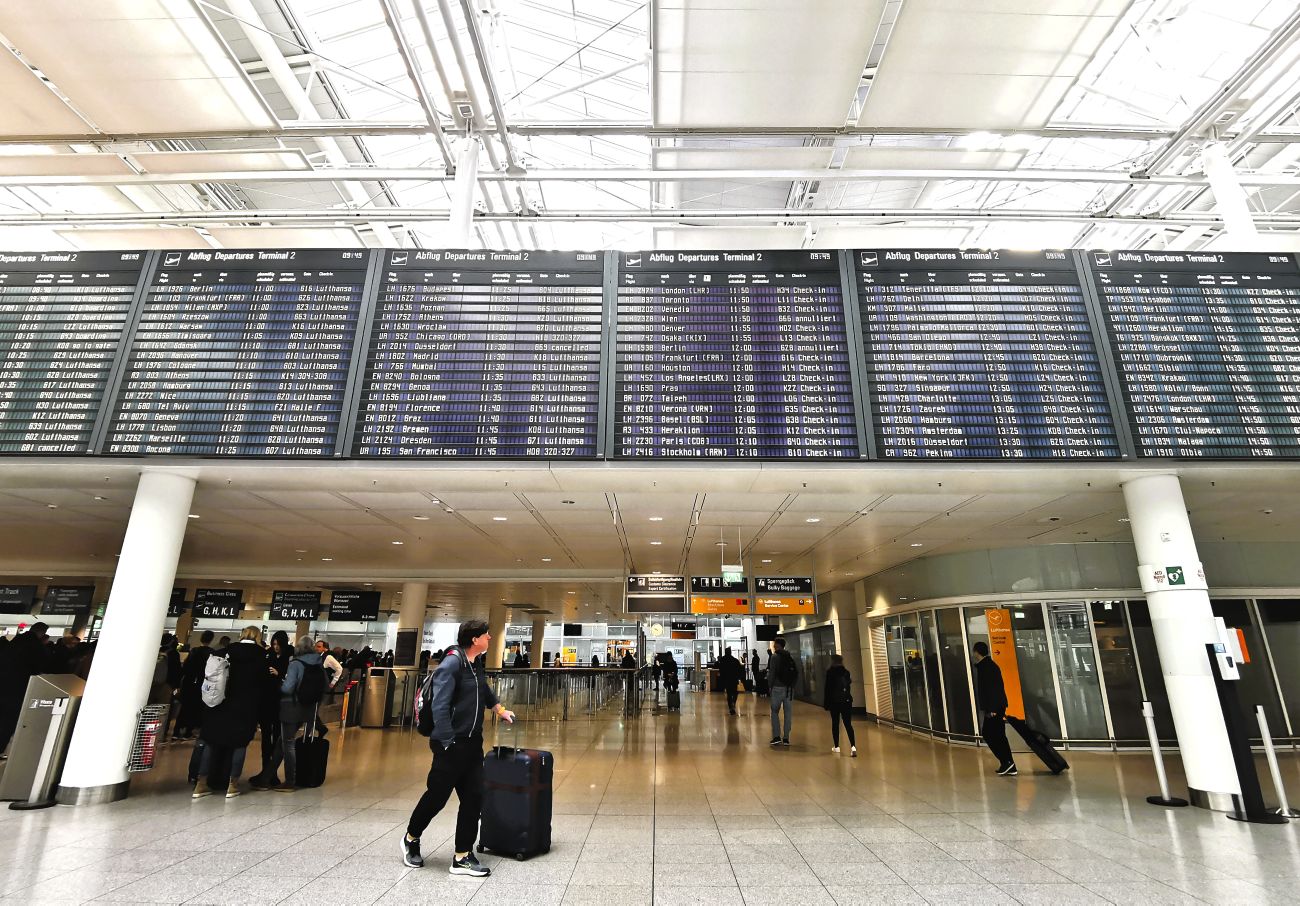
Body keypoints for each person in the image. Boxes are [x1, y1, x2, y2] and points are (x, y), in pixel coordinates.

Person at [401, 619, 516, 877]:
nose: (489, 638)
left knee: (474, 797)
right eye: (487, 635)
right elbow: (440, 705)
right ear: (474, 639)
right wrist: (447, 740)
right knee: (437, 797)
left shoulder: (474, 663)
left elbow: (483, 690)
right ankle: (411, 837)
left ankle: (462, 855)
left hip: (472, 742)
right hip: (450, 744)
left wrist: (499, 709)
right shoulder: (452, 663)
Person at [193, 627, 263, 799]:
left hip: (220, 703)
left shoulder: (226, 651)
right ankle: (232, 785)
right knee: (239, 744)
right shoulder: (260, 655)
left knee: (211, 741)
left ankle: (200, 784)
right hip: (244, 706)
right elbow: (262, 683)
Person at [259, 636, 324, 792]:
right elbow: (325, 685)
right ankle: (266, 778)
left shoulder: (295, 664)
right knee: (283, 742)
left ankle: (290, 781)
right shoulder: (318, 663)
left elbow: (288, 688)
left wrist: (280, 683)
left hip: (291, 708)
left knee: (288, 744)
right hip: (307, 709)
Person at [0, 622, 49, 755]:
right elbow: (39, 668)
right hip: (18, 689)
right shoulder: (36, 647)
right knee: (9, 720)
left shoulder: (14, 642)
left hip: (3, 684)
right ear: (42, 633)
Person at [250, 631, 291, 788]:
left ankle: (271, 772)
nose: (275, 647)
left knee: (277, 739)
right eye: (273, 644)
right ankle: (266, 771)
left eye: (277, 645)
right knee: (266, 738)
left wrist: (279, 674)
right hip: (267, 702)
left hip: (280, 703)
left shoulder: (289, 658)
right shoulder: (268, 656)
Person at [972, 642, 1016, 776]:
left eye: (974, 652)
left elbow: (993, 689)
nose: (973, 654)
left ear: (977, 652)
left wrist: (992, 708)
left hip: (995, 707)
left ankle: (1007, 762)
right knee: (997, 735)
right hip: (995, 706)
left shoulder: (987, 667)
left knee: (991, 734)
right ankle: (1008, 763)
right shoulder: (987, 666)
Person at [173, 630, 216, 740]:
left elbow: (186, 668)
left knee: (184, 707)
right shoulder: (211, 653)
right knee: (196, 707)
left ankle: (176, 731)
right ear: (211, 640)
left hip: (189, 682)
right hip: (202, 683)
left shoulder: (193, 651)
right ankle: (188, 731)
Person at [824, 654, 856, 756]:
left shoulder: (830, 672)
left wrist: (826, 703)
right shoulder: (846, 672)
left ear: (832, 661)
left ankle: (837, 746)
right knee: (848, 724)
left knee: (835, 723)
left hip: (834, 702)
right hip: (846, 701)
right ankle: (853, 746)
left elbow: (827, 689)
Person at [768, 638, 798, 746]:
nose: (774, 646)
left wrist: (769, 686)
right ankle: (786, 738)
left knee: (774, 712)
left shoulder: (774, 657)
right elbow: (795, 672)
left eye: (775, 644)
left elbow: (772, 673)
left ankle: (776, 736)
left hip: (777, 688)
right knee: (788, 713)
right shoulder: (789, 656)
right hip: (789, 689)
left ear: (778, 645)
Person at [314, 639, 343, 738]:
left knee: (313, 709)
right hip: (315, 686)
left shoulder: (328, 657)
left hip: (320, 687)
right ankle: (319, 728)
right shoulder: (316, 657)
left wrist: (333, 682)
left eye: (319, 647)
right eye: (316, 646)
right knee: (312, 710)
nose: (316, 648)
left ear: (324, 648)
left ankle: (320, 728)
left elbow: (339, 668)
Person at [717, 646, 743, 715]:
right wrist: (739, 677)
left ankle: (730, 707)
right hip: (734, 679)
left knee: (729, 693)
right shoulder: (735, 660)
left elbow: (721, 670)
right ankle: (733, 704)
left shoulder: (722, 660)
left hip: (726, 679)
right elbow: (739, 669)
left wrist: (722, 679)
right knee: (735, 692)